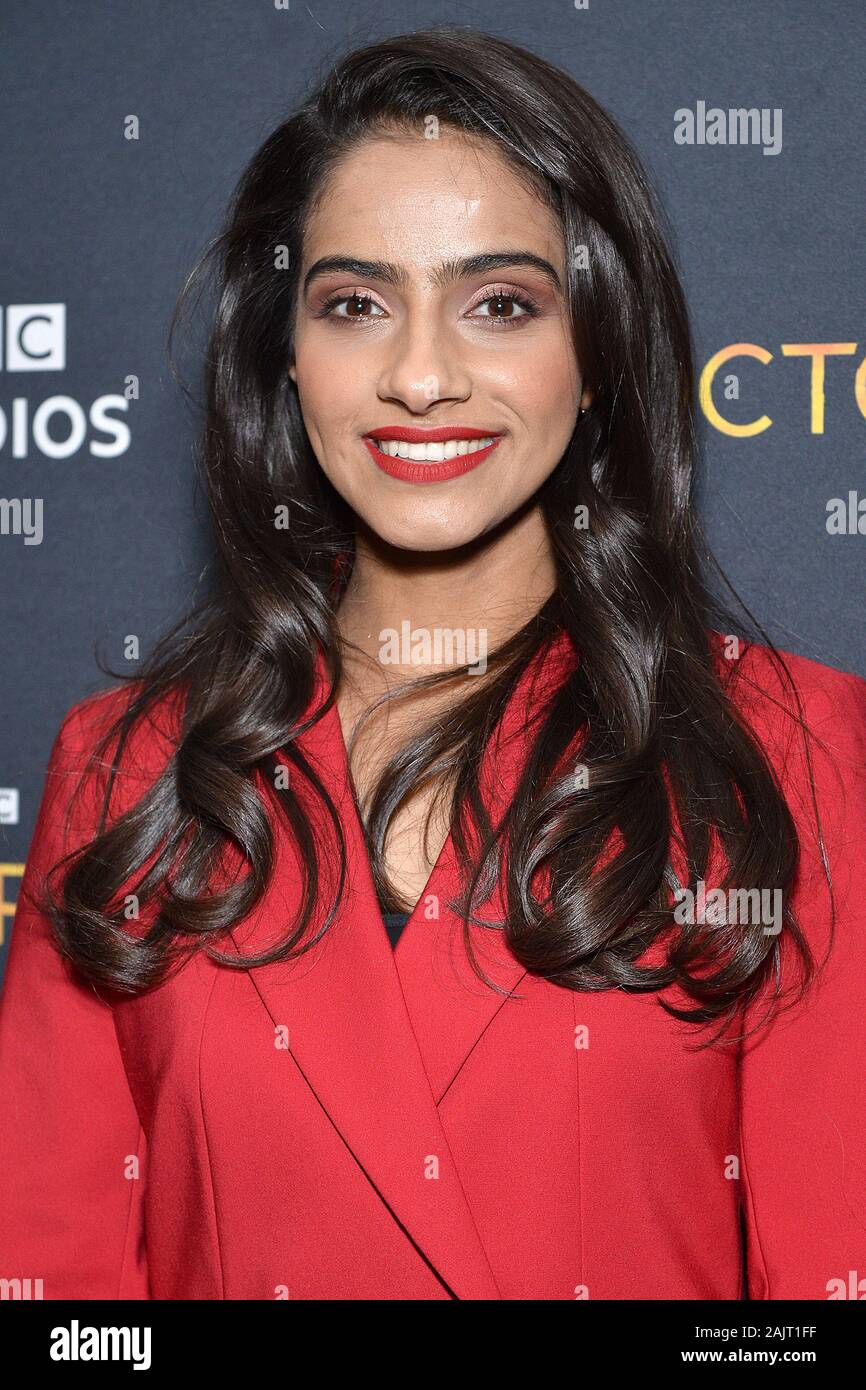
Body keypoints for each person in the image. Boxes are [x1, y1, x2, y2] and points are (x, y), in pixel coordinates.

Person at [1, 27, 864, 1302]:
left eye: (498, 303)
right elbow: (60, 1302)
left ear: (596, 351)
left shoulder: (793, 752)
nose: (418, 375)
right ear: (287, 356)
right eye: (354, 305)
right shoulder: (128, 772)